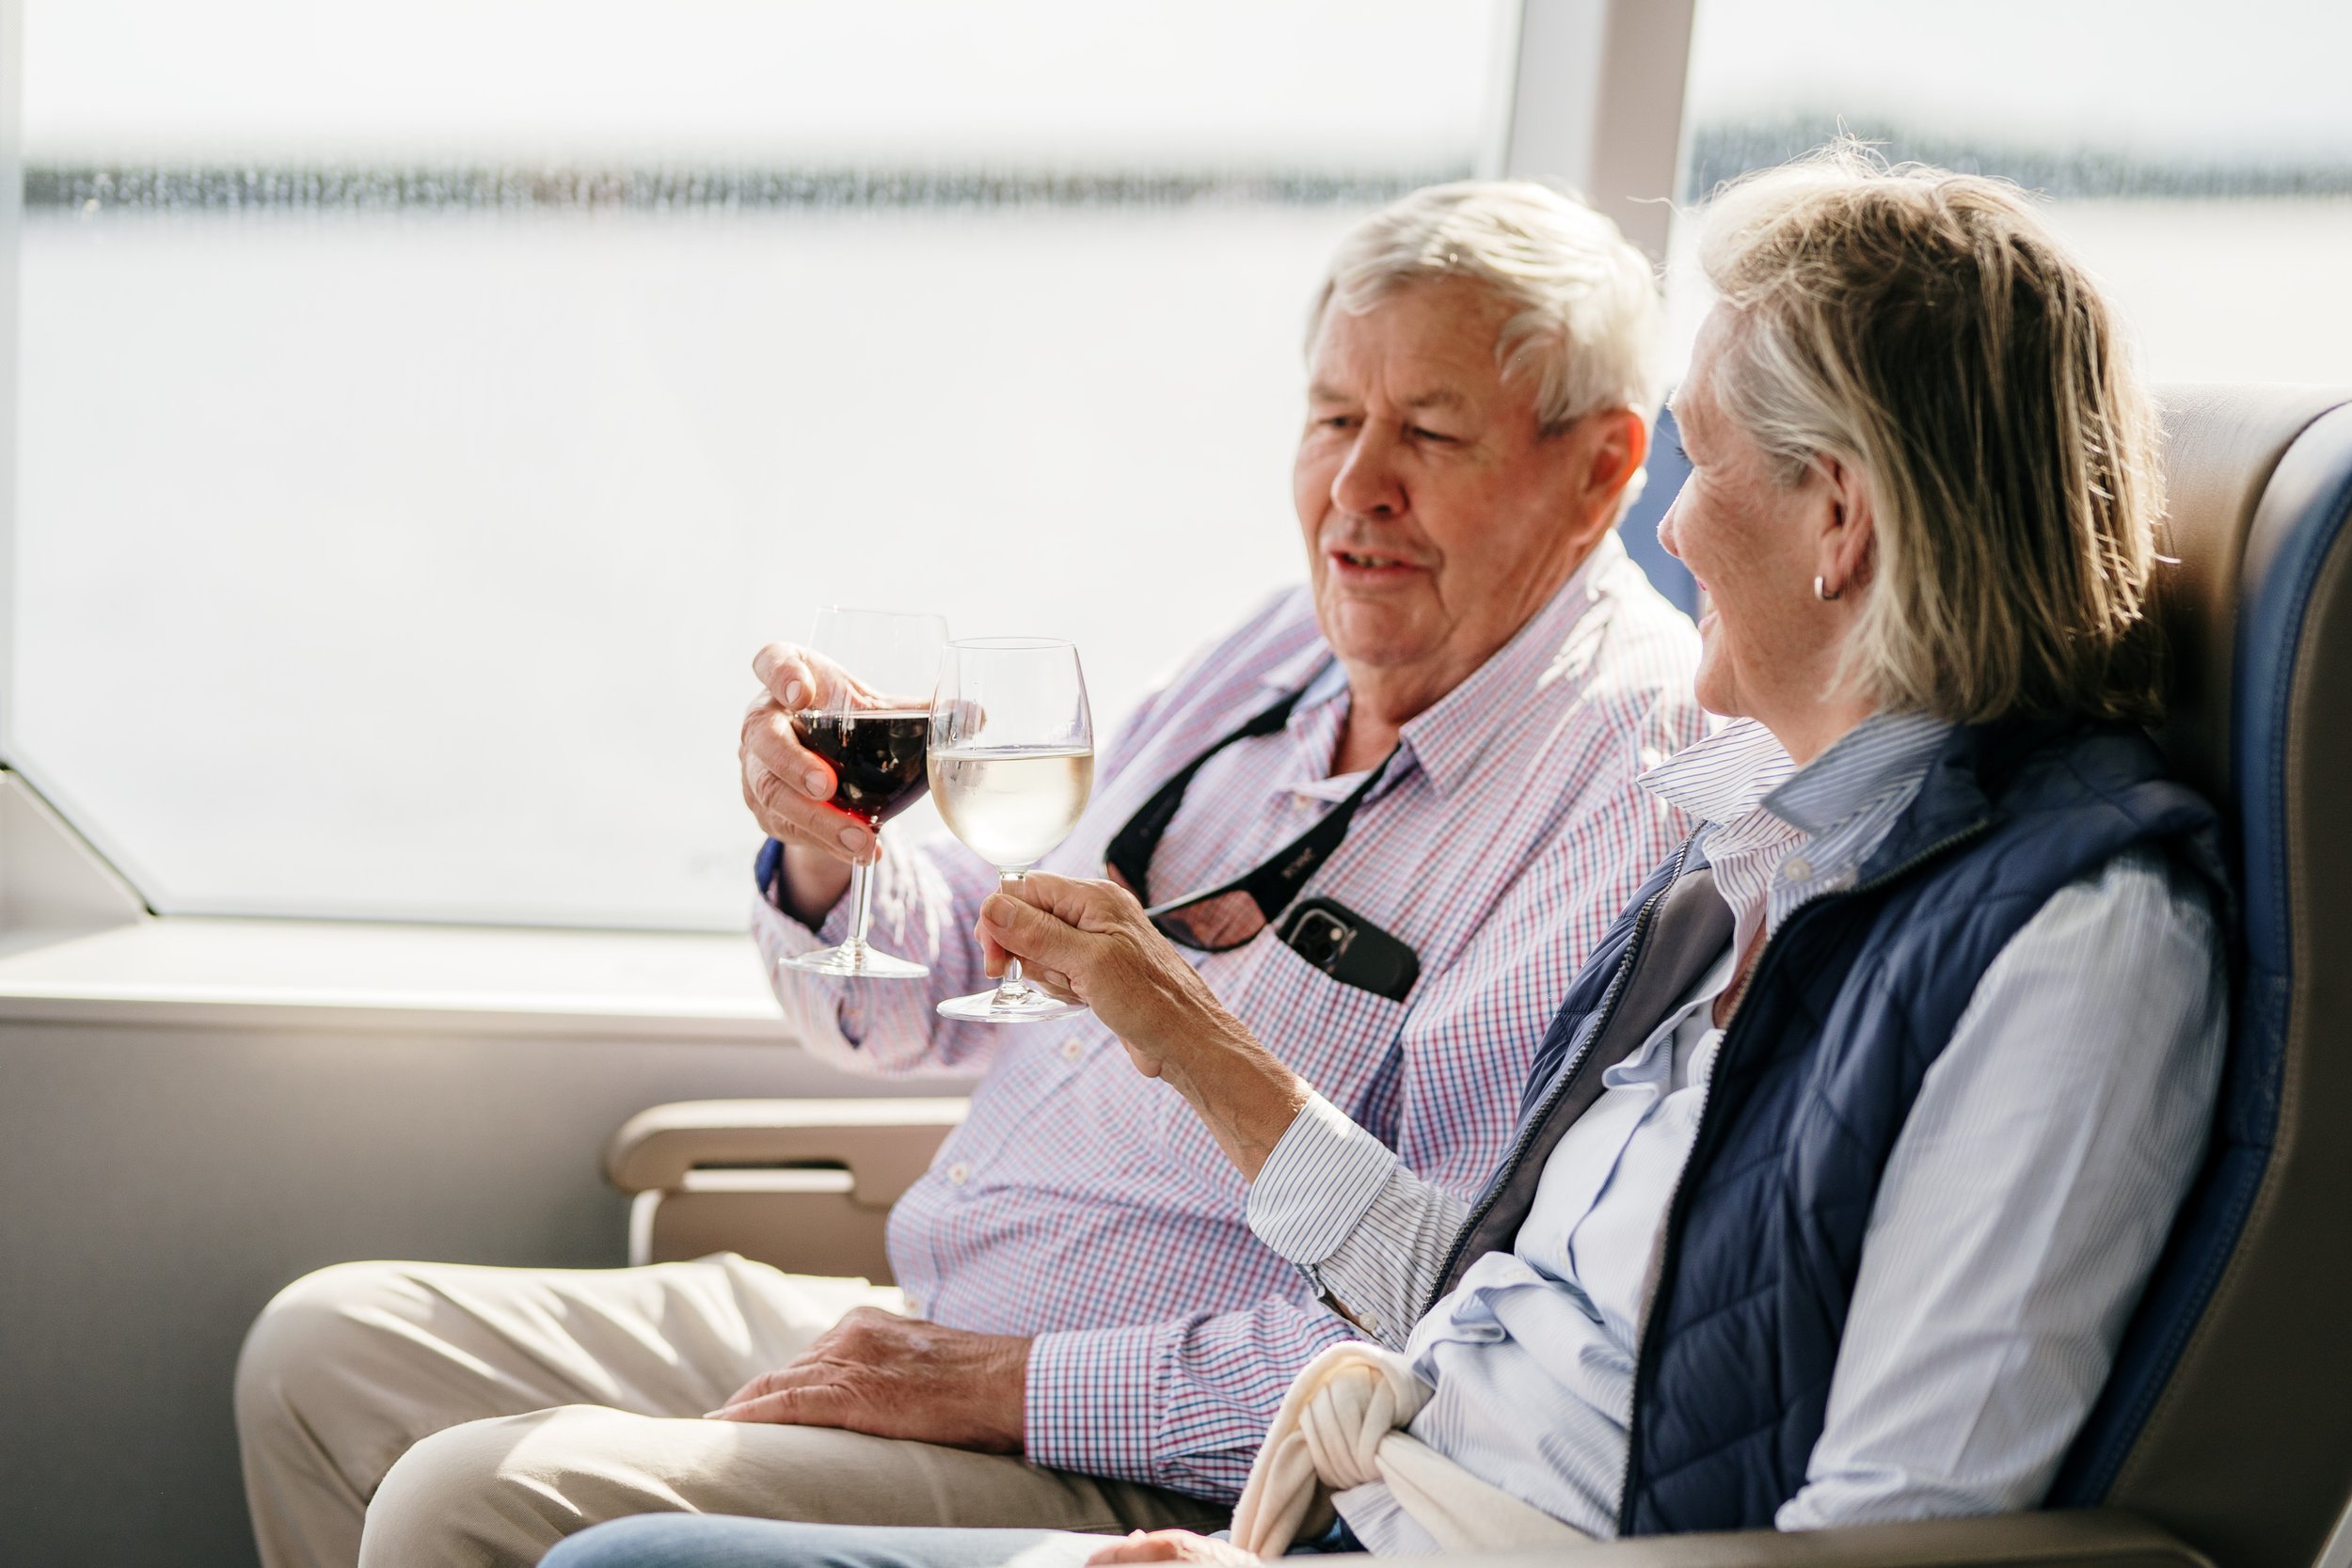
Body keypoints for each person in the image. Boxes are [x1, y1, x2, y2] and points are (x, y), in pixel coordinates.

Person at [533, 143, 2230, 1568]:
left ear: (1839, 521)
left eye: (1695, 465)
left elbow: (1896, 1538)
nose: (1676, 533)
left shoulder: (2063, 945)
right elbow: (1468, 1293)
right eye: (1333, 420)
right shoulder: (1770, 854)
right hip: (1344, 1490)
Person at [232, 180, 1708, 1568]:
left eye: (1431, 434)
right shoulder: (1285, 643)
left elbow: (1433, 1328)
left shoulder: (1630, 781)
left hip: (1149, 1449)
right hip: (927, 1311)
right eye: (1332, 417)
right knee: (327, 1351)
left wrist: (999, 1385)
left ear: (1600, 469)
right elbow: (954, 985)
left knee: (460, 1499)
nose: (1355, 487)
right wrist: (835, 861)